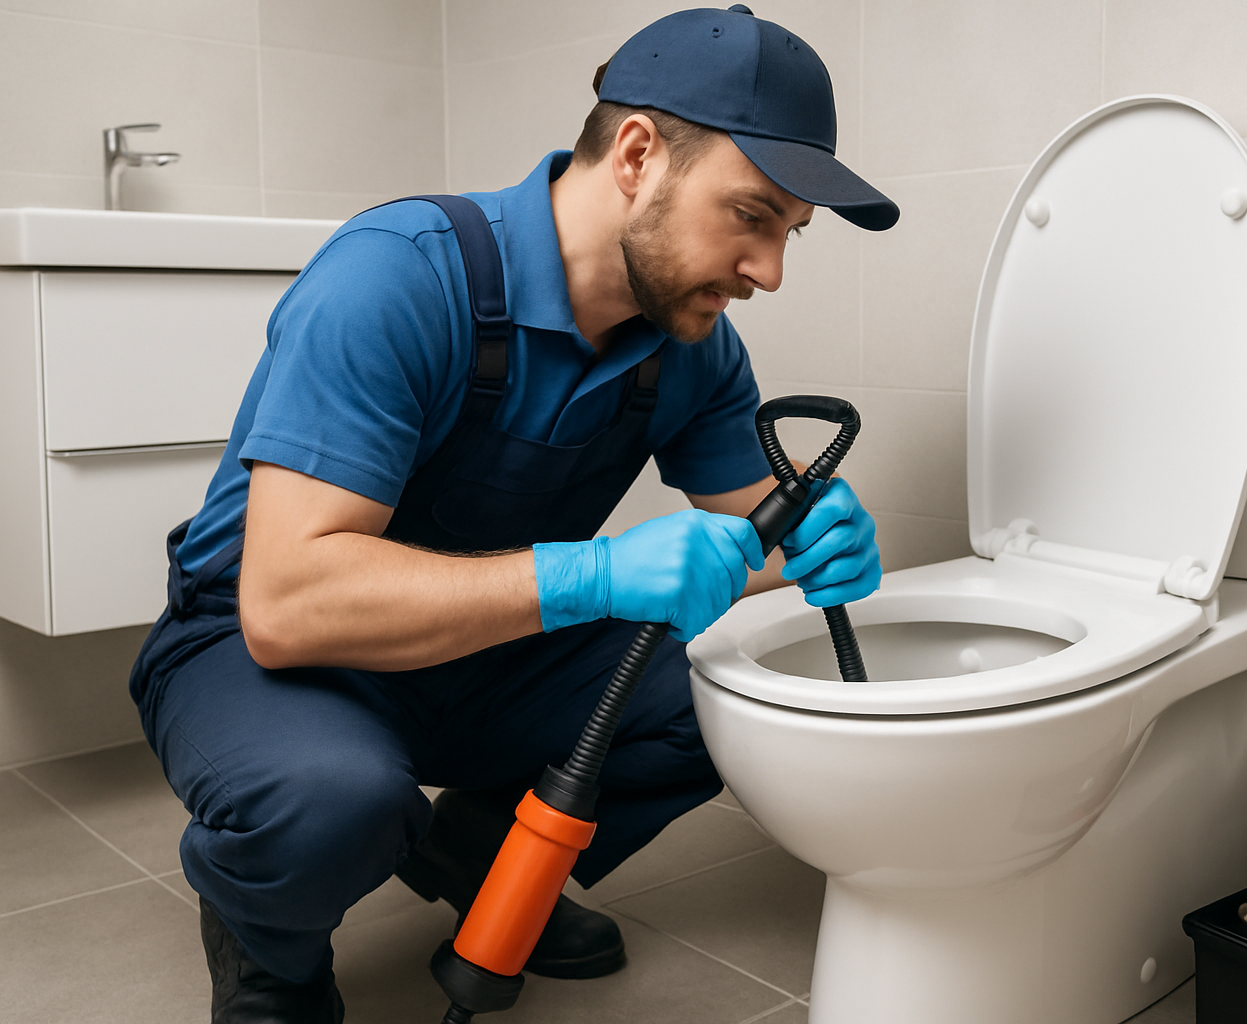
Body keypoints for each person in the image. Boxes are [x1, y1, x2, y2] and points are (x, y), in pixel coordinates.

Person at [129, 5, 897, 1021]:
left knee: (736, 688)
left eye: (789, 234)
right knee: (334, 800)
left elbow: (753, 521)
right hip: (269, 651)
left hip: (486, 651)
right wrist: (600, 573)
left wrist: (812, 533)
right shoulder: (400, 275)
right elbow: (287, 602)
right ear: (635, 155)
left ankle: (485, 851)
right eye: (752, 214)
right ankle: (267, 946)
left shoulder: (690, 342)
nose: (770, 271)